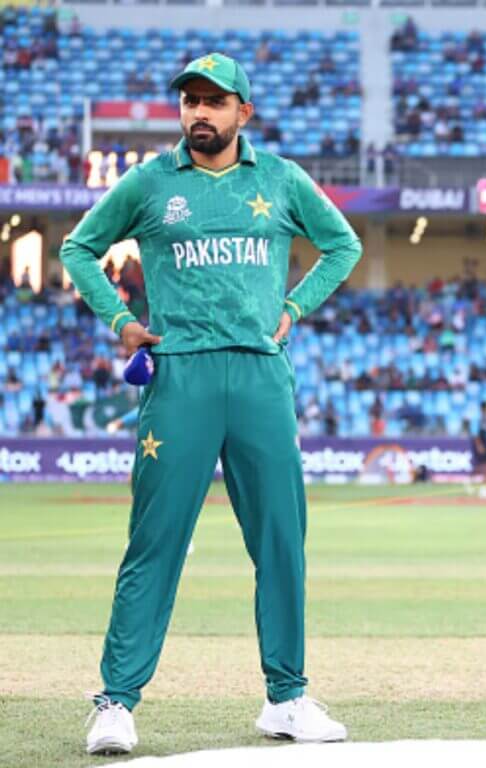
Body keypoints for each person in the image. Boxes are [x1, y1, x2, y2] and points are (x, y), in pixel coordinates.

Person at [62, 52, 362, 755]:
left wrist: (293, 307)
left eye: (215, 102)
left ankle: (287, 697)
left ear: (242, 113)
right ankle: (116, 702)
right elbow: (80, 248)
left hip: (261, 376)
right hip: (181, 380)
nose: (199, 112)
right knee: (156, 540)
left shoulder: (282, 179)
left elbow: (342, 246)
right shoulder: (148, 182)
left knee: (282, 542)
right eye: (190, 100)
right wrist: (119, 318)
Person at [464, 401, 486, 499]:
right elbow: (475, 433)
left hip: (484, 441)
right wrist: (479, 445)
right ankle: (484, 489)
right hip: (479, 442)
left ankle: (470, 481)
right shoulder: (478, 418)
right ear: (484, 408)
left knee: (482, 465)